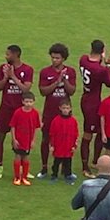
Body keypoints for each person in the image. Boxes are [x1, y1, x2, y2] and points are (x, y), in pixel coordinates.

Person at [0, 45, 33, 179]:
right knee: (0, 137)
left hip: (21, 110)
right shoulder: (3, 68)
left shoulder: (27, 69)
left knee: (22, 139)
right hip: (5, 108)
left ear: (16, 55)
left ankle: (22, 168)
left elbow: (26, 90)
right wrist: (5, 77)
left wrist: (13, 76)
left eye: (8, 54)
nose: (6, 56)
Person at [37, 42, 77, 178]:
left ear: (63, 58)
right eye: (53, 57)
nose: (54, 60)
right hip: (49, 111)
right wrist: (56, 81)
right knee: (46, 138)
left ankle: (65, 169)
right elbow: (43, 91)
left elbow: (71, 91)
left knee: (66, 139)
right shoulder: (45, 72)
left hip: (65, 114)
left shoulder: (70, 72)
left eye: (57, 58)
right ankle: (44, 167)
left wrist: (64, 79)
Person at [78, 40, 110, 175]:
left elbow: (92, 62)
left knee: (99, 131)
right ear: (102, 51)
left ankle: (94, 161)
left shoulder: (83, 59)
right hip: (92, 104)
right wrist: (108, 64)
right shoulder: (100, 70)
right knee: (88, 134)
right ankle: (85, 166)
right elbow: (109, 83)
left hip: (86, 98)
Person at [9, 91, 41, 186]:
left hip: (28, 140)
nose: (28, 104)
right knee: (18, 157)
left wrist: (33, 140)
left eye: (30, 102)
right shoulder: (18, 112)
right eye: (26, 101)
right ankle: (17, 177)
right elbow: (12, 126)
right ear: (22, 101)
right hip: (19, 140)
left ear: (33, 102)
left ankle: (24, 177)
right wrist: (14, 139)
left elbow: (35, 128)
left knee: (26, 158)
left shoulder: (35, 113)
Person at [48, 100, 80, 183]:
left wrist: (74, 146)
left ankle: (68, 175)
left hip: (68, 146)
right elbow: (52, 134)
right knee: (56, 162)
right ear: (60, 108)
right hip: (59, 146)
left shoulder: (73, 121)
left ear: (70, 109)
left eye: (67, 108)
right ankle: (54, 175)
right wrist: (52, 145)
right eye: (64, 108)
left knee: (68, 162)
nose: (65, 110)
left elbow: (75, 134)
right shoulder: (56, 120)